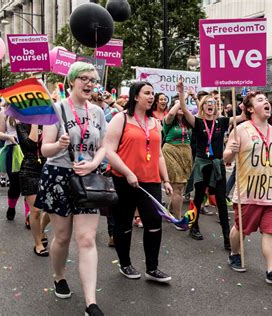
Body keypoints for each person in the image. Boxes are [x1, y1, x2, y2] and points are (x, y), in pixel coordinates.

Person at [34, 62, 106, 316]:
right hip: (59, 177)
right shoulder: (57, 109)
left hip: (88, 179)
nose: (89, 84)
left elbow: (103, 147)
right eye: (84, 79)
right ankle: (59, 275)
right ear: (72, 81)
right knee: (62, 237)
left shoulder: (98, 112)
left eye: (93, 80)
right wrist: (59, 145)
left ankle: (90, 302)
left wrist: (95, 164)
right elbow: (45, 150)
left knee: (86, 239)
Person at [223, 91, 272, 286]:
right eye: (260, 100)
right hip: (248, 194)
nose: (267, 103)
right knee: (241, 229)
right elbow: (226, 158)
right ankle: (235, 253)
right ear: (249, 108)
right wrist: (231, 151)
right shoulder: (241, 130)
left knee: (270, 232)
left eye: (267, 100)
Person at [104, 81, 173, 283]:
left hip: (150, 181)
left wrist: (166, 179)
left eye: (153, 93)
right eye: (147, 93)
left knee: (154, 224)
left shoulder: (155, 123)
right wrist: (127, 172)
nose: (151, 97)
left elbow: (158, 154)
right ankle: (125, 264)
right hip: (123, 180)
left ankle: (152, 268)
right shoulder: (121, 119)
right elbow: (109, 150)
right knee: (123, 224)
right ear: (136, 97)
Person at [177, 78, 244, 248]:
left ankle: (227, 238)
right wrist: (181, 91)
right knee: (198, 197)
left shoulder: (222, 121)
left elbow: (242, 117)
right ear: (202, 106)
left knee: (221, 200)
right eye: (206, 102)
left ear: (216, 106)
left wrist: (243, 103)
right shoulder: (198, 122)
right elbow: (184, 109)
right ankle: (194, 226)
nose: (210, 105)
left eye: (213, 102)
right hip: (202, 164)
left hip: (217, 165)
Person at [16, 123, 48, 256]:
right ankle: (38, 244)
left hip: (49, 168)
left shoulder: (50, 123)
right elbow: (30, 145)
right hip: (30, 170)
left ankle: (40, 228)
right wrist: (35, 123)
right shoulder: (21, 125)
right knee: (35, 211)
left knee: (52, 210)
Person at [162, 98, 192, 226]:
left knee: (181, 186)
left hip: (185, 153)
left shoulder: (188, 121)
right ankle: (178, 219)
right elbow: (171, 114)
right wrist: (182, 98)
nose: (180, 107)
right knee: (178, 187)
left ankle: (169, 212)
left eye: (182, 105)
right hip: (171, 152)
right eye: (177, 105)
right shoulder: (168, 121)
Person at [0, 109, 25, 222]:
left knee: (30, 184)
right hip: (13, 150)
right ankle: (11, 207)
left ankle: (30, 215)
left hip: (29, 150)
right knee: (15, 184)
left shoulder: (30, 110)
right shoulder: (4, 112)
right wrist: (8, 137)